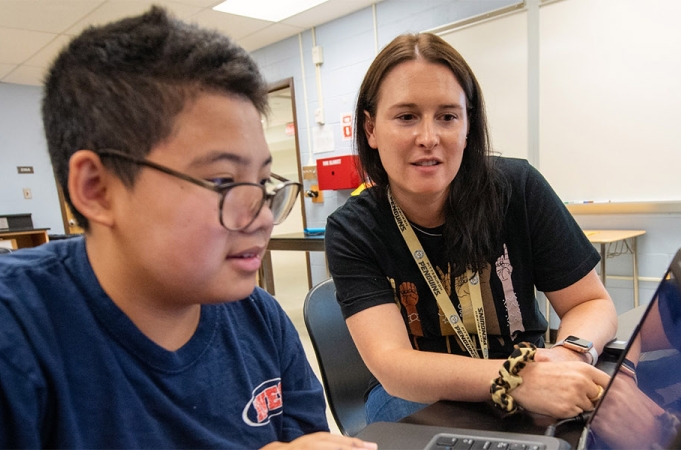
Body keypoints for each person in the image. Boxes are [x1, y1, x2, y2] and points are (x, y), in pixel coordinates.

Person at [0, 7, 375, 449]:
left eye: (262, 183)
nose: (262, 217)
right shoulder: (17, 334)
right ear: (97, 189)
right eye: (222, 182)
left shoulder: (260, 318)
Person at [325, 32, 618, 424]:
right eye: (406, 116)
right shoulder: (353, 228)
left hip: (533, 382)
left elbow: (590, 302)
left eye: (447, 116)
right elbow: (392, 365)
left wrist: (565, 357)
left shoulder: (517, 187)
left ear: (468, 126)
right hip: (421, 396)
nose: (428, 138)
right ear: (371, 129)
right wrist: (516, 378)